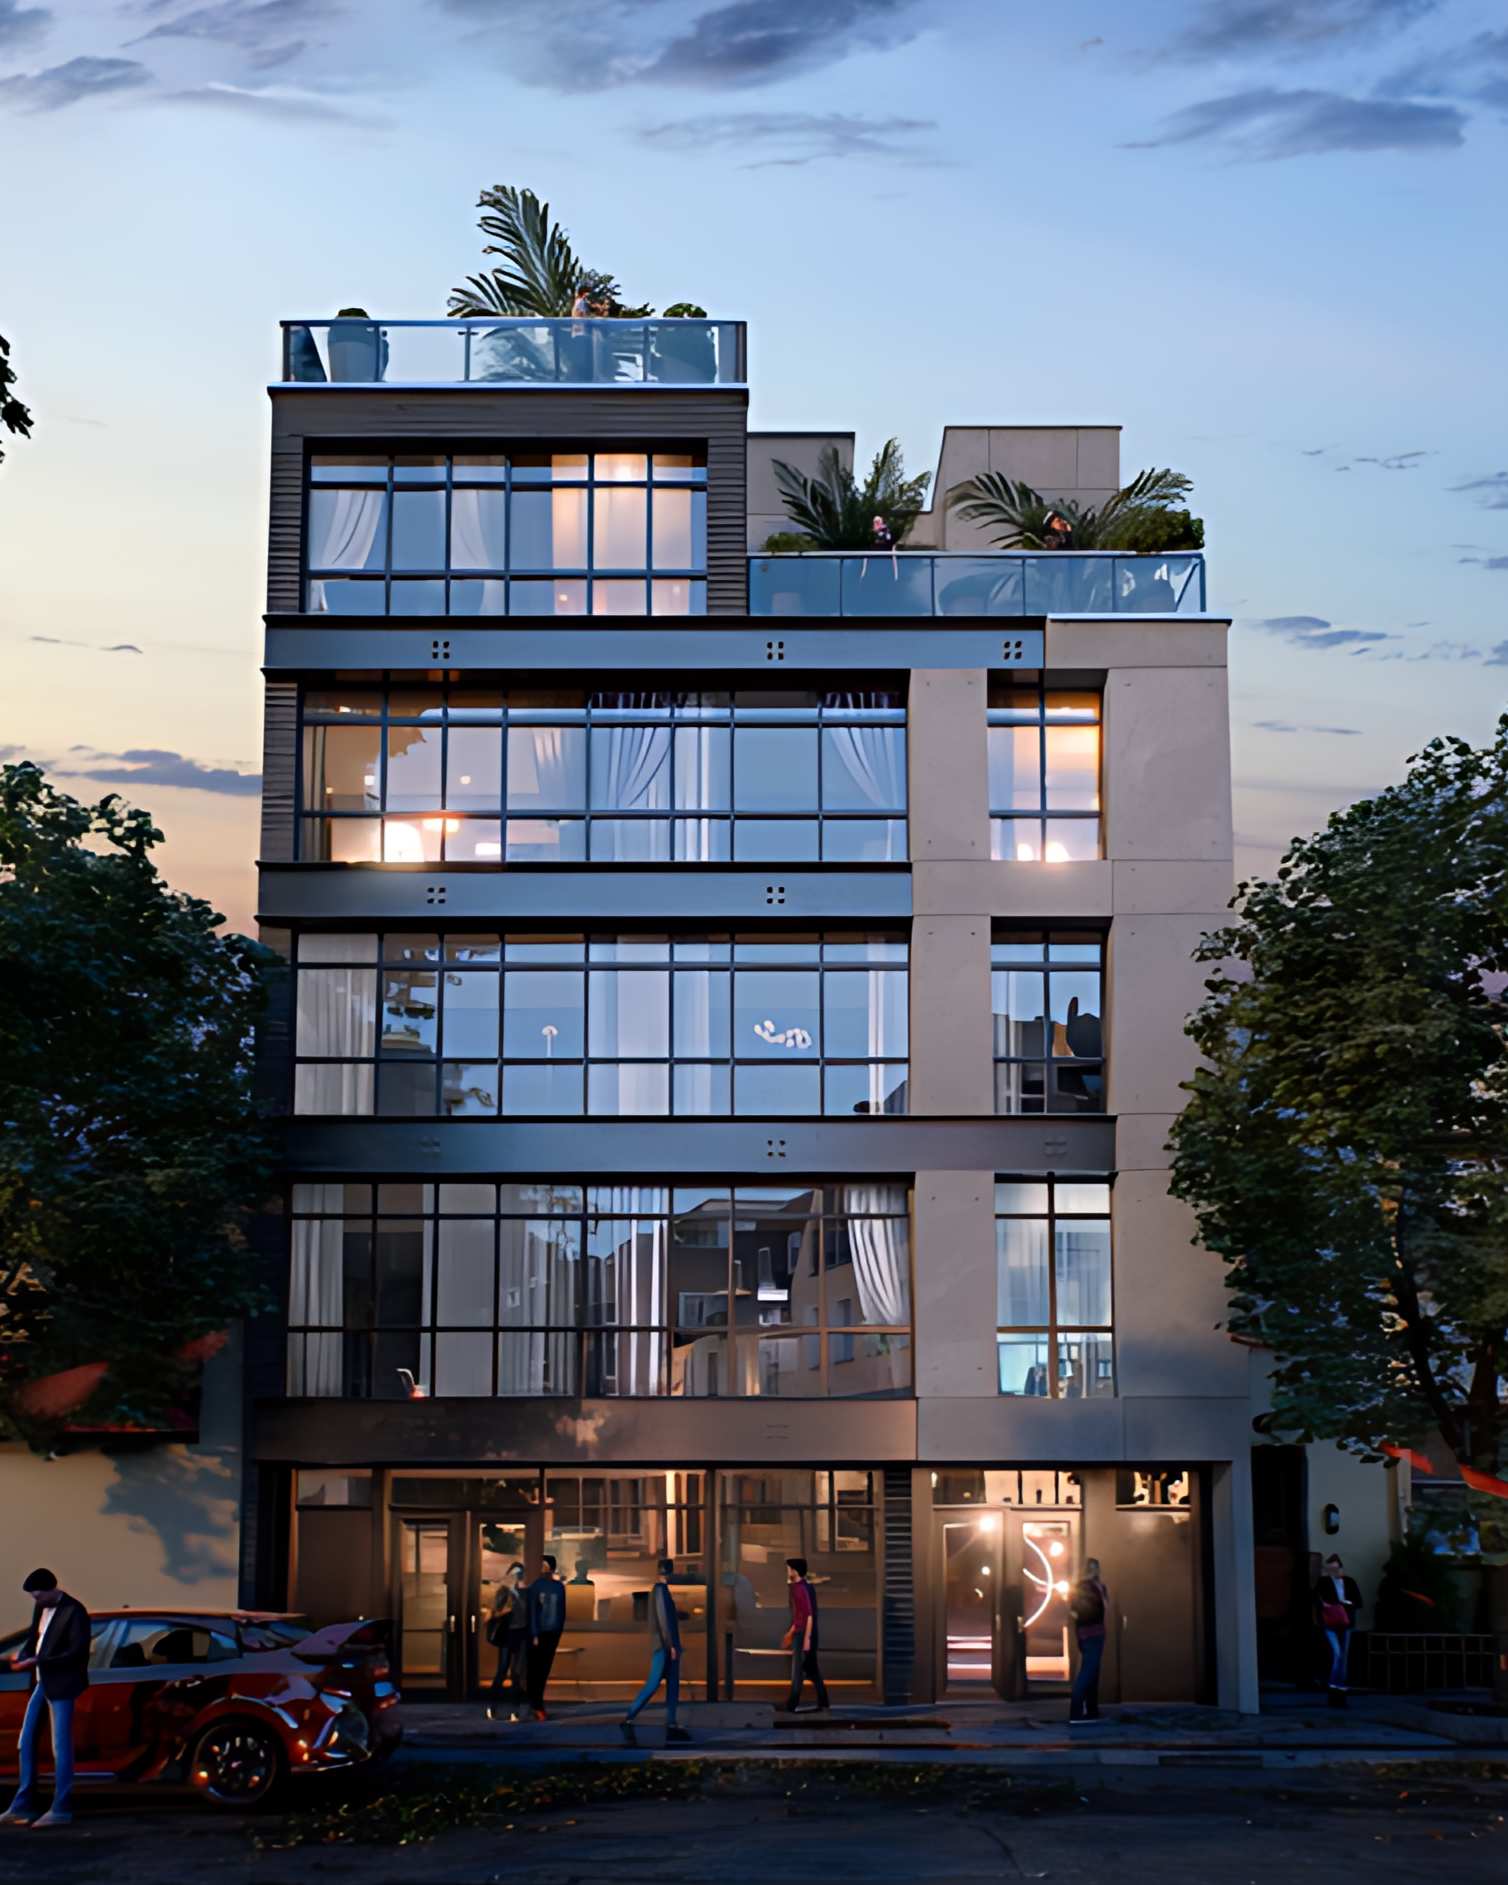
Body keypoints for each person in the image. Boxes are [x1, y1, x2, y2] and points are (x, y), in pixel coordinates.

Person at [1, 1569, 91, 1828]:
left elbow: (77, 1652)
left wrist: (38, 1660)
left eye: (40, 1597)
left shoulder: (75, 1611)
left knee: (60, 1747)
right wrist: (23, 1656)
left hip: (62, 1684)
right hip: (42, 1682)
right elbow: (35, 1638)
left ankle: (61, 1808)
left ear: (53, 1589)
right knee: (26, 1740)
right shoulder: (41, 1608)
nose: (37, 1602)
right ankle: (22, 1806)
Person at [620, 1559, 692, 1745]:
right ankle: (630, 1718)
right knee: (654, 1683)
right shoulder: (660, 1591)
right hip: (665, 1646)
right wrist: (672, 1645)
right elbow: (664, 1621)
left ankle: (671, 1722)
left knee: (672, 1685)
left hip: (666, 1645)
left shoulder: (661, 1591)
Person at [1314, 1553, 1363, 1707]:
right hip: (1330, 1623)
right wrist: (1325, 1606)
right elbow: (1313, 1597)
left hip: (1346, 1622)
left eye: (1336, 1569)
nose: (1334, 1573)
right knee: (1337, 1654)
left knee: (1342, 1657)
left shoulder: (1349, 1582)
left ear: (1341, 1568)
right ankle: (1335, 1691)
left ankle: (1337, 1691)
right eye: (1331, 1570)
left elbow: (1359, 1602)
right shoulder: (1323, 1582)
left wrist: (1347, 1604)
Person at [781, 1557, 828, 1714]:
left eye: (788, 1569)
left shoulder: (798, 1589)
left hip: (802, 1634)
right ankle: (824, 1702)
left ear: (794, 1570)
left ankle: (791, 1705)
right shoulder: (807, 1587)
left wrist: (804, 1637)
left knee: (797, 1671)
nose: (787, 1572)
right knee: (812, 1669)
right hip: (808, 1632)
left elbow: (807, 1614)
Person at [524, 1554, 566, 1721]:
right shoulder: (546, 1586)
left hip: (546, 1632)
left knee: (539, 1669)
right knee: (538, 1669)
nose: (541, 1567)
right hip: (545, 1632)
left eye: (543, 1565)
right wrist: (536, 1632)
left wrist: (537, 1632)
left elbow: (560, 1611)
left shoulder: (547, 1586)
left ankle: (537, 1704)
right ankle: (536, 1704)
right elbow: (535, 1611)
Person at [1068, 1557, 1109, 1726]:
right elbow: (1107, 1606)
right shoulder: (1099, 1587)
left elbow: (1073, 1613)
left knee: (1090, 1672)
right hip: (1096, 1634)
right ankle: (1076, 1714)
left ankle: (1092, 1712)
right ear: (1096, 1570)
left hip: (1083, 1634)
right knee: (1088, 1675)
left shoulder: (1076, 1589)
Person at [485, 1561, 528, 1722]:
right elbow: (496, 1612)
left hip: (521, 1633)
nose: (518, 1578)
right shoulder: (505, 1592)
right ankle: (492, 1707)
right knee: (502, 1670)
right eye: (515, 1575)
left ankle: (514, 1710)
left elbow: (529, 1613)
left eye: (520, 1575)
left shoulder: (525, 1592)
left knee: (517, 1672)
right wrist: (509, 1601)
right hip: (508, 1634)